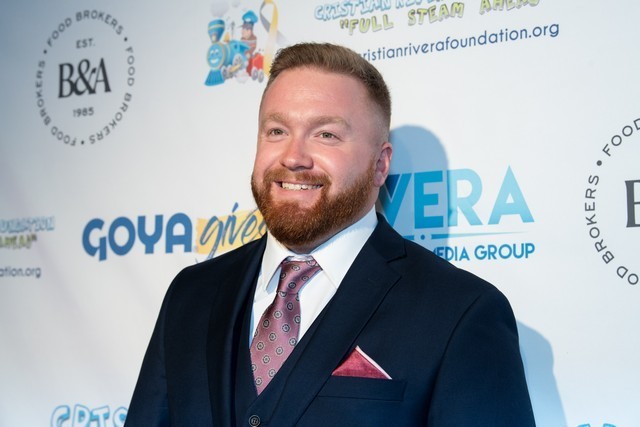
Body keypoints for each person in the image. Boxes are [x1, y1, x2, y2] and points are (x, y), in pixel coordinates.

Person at [125, 42, 535, 426]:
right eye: (276, 131)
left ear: (380, 165)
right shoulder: (191, 295)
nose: (293, 157)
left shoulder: (460, 313)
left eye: (326, 135)